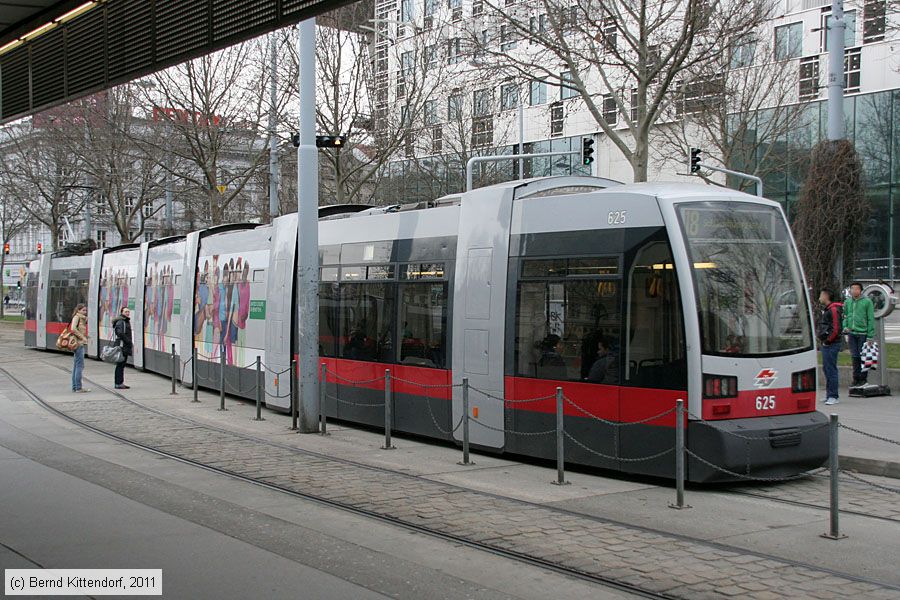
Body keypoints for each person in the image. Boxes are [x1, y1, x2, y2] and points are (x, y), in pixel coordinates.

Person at [842, 281, 875, 387]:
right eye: (852, 289)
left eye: (856, 289)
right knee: (854, 356)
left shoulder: (867, 302)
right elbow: (845, 316)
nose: (854, 291)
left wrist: (870, 336)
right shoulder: (848, 302)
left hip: (863, 333)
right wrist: (845, 326)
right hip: (851, 333)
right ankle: (855, 379)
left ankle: (863, 379)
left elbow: (870, 319)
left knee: (863, 357)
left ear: (861, 290)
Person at [816, 289, 843, 405]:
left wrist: (828, 340)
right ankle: (829, 394)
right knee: (827, 369)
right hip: (827, 343)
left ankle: (833, 395)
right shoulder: (828, 309)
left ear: (826, 296)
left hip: (832, 344)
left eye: (821, 295)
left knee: (831, 369)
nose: (819, 297)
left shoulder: (833, 309)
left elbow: (836, 328)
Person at [70, 304, 90, 393]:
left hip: (79, 343)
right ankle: (78, 387)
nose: (85, 312)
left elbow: (79, 330)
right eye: (83, 310)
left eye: (85, 310)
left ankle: (75, 386)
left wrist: (85, 336)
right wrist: (82, 337)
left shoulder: (82, 319)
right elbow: (73, 328)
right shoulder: (77, 317)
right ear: (78, 310)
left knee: (76, 365)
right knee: (79, 366)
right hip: (78, 344)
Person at [112, 307, 133, 390]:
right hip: (122, 346)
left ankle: (120, 382)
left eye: (128, 311)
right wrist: (128, 341)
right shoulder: (121, 321)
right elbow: (120, 333)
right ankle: (118, 383)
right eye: (126, 312)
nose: (127, 313)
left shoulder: (124, 321)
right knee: (120, 365)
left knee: (121, 365)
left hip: (124, 345)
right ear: (122, 312)